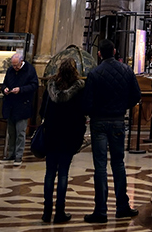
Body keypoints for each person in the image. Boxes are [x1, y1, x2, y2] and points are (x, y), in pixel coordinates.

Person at [82, 39, 142, 222]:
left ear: (99, 53)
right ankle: (122, 206)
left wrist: (94, 112)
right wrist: (122, 107)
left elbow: (87, 102)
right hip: (117, 121)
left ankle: (100, 211)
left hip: (99, 122)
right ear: (114, 51)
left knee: (100, 166)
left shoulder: (94, 73)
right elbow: (136, 95)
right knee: (118, 164)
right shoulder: (126, 70)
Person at [41, 56, 87, 223]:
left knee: (49, 174)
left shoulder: (50, 86)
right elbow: (82, 113)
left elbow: (42, 111)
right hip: (69, 136)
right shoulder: (79, 89)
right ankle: (59, 211)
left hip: (52, 135)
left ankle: (47, 212)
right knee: (63, 174)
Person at [0, 51, 39, 164]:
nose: (15, 68)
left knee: (20, 132)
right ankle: (11, 154)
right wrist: (5, 89)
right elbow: (4, 83)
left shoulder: (30, 70)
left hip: (23, 105)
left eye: (16, 65)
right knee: (11, 132)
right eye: (13, 65)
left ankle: (18, 155)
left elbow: (34, 85)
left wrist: (21, 89)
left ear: (21, 61)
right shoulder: (10, 70)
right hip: (10, 105)